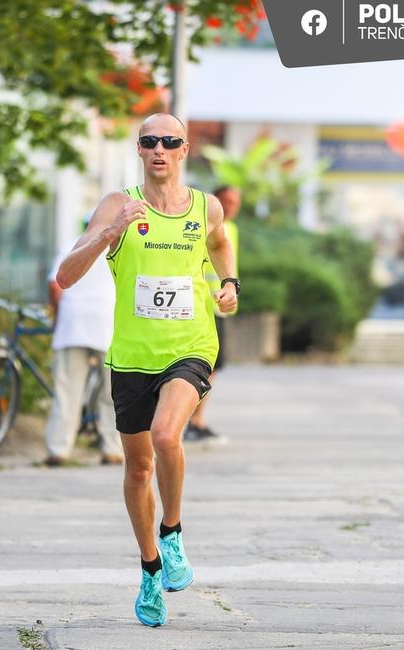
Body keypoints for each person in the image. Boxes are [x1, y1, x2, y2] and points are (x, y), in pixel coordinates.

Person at [55, 113, 238, 627]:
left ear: (184, 150)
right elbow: (66, 276)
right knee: (137, 469)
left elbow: (221, 243)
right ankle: (150, 569)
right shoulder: (118, 205)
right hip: (132, 356)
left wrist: (231, 284)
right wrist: (110, 232)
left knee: (166, 436)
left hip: (192, 346)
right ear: (139, 149)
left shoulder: (207, 206)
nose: (159, 148)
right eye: (149, 141)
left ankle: (173, 532)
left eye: (170, 141)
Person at [43, 219, 122, 467]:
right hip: (108, 324)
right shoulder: (120, 247)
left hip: (72, 324)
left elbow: (55, 286)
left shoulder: (70, 246)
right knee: (113, 392)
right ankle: (112, 448)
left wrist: (57, 316)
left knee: (67, 390)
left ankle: (59, 449)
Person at [185, 185, 241, 443]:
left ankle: (196, 419)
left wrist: (231, 289)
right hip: (202, 306)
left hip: (222, 308)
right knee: (203, 367)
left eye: (235, 202)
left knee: (213, 368)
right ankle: (191, 420)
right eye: (226, 201)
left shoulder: (233, 230)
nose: (231, 206)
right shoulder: (202, 222)